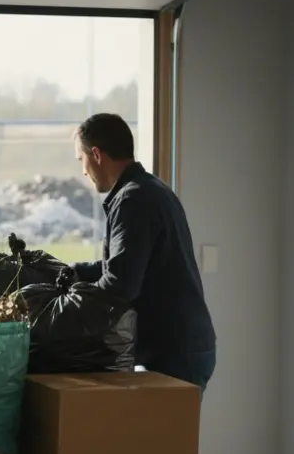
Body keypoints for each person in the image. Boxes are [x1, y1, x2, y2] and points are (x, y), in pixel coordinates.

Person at [70, 113, 217, 393]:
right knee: (162, 436)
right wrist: (76, 272)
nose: (83, 170)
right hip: (181, 347)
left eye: (81, 159)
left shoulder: (134, 199)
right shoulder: (149, 189)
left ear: (97, 155)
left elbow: (120, 284)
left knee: (163, 437)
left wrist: (69, 305)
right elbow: (129, 262)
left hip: (174, 353)